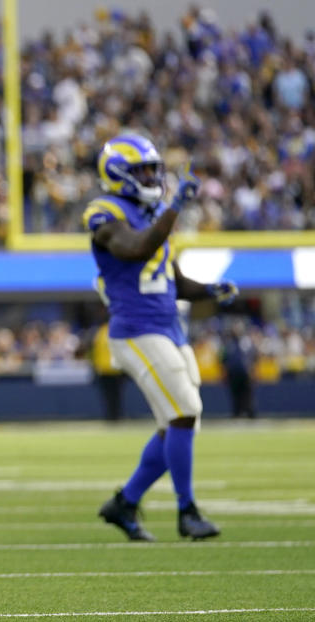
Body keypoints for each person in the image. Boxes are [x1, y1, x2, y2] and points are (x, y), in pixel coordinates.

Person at [83, 133, 239, 542]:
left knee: (181, 424)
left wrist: (208, 290)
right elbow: (135, 249)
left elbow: (168, 279)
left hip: (168, 328)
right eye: (143, 170)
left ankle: (125, 502)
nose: (152, 176)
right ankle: (187, 511)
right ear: (118, 174)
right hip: (136, 330)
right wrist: (173, 210)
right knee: (183, 412)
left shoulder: (151, 213)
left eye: (154, 169)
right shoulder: (105, 213)